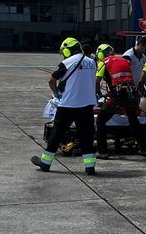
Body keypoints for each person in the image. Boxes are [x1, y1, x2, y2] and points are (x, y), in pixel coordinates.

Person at [32, 37, 99, 175]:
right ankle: (90, 167)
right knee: (86, 137)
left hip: (68, 105)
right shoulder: (92, 62)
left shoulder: (67, 62)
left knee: (56, 134)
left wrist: (56, 93)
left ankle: (45, 163)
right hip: (87, 105)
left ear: (68, 50)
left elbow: (52, 80)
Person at [95, 43, 146, 158]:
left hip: (118, 94)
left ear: (100, 54)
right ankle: (144, 149)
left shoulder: (103, 62)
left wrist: (97, 94)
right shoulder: (124, 60)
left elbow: (97, 80)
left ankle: (102, 151)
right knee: (134, 120)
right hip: (131, 93)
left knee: (100, 121)